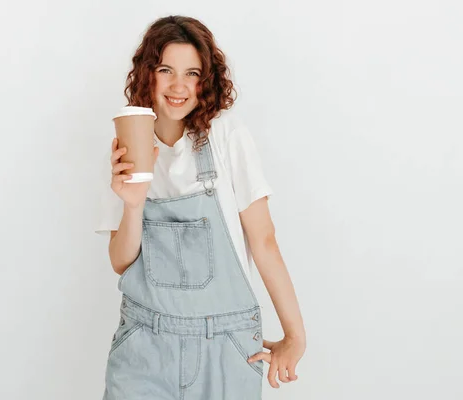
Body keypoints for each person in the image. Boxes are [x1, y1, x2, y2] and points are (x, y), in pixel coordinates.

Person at [94, 15, 306, 400]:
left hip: (225, 347)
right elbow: (121, 262)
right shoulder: (126, 142)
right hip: (146, 344)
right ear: (148, 75)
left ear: (205, 80)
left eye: (192, 73)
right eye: (165, 70)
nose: (179, 86)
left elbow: (264, 241)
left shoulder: (227, 134)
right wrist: (132, 205)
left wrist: (295, 334)